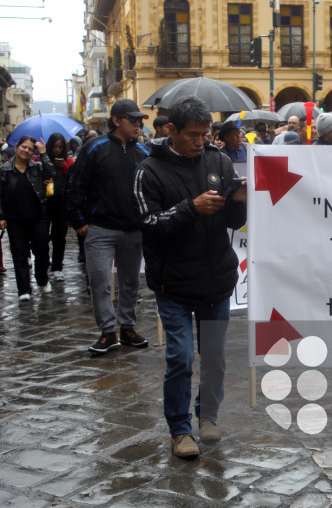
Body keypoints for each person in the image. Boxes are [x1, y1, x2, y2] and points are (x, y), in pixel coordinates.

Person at [133, 95, 247, 459]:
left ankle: (208, 414)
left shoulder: (220, 160)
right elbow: (148, 225)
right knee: (181, 357)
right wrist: (189, 208)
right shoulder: (149, 171)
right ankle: (179, 429)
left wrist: (238, 201)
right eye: (194, 134)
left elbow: (231, 222)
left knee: (214, 356)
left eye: (207, 133)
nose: (202, 141)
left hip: (216, 281)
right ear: (172, 130)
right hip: (174, 285)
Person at [67, 98, 150, 354]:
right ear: (116, 120)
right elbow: (75, 184)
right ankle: (107, 332)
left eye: (140, 120)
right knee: (99, 281)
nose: (138, 125)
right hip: (100, 228)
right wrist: (79, 221)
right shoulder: (95, 148)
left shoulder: (143, 153)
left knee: (130, 282)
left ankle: (127, 328)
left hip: (133, 230)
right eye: (133, 120)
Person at [0, 136, 53, 300]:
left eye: (30, 149)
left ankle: (42, 279)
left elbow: (50, 173)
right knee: (19, 253)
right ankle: (24, 289)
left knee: (42, 251)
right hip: (15, 218)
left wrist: (43, 154)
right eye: (24, 147)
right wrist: (1, 216)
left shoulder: (37, 166)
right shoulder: (5, 169)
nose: (26, 151)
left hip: (37, 216)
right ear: (16, 148)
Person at [45, 133, 74, 281]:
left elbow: (72, 179)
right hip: (45, 202)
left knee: (59, 236)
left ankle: (57, 266)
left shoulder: (68, 162)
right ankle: (44, 261)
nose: (57, 150)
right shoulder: (42, 160)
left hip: (61, 203)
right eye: (54, 146)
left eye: (60, 147)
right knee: (42, 236)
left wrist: (64, 168)